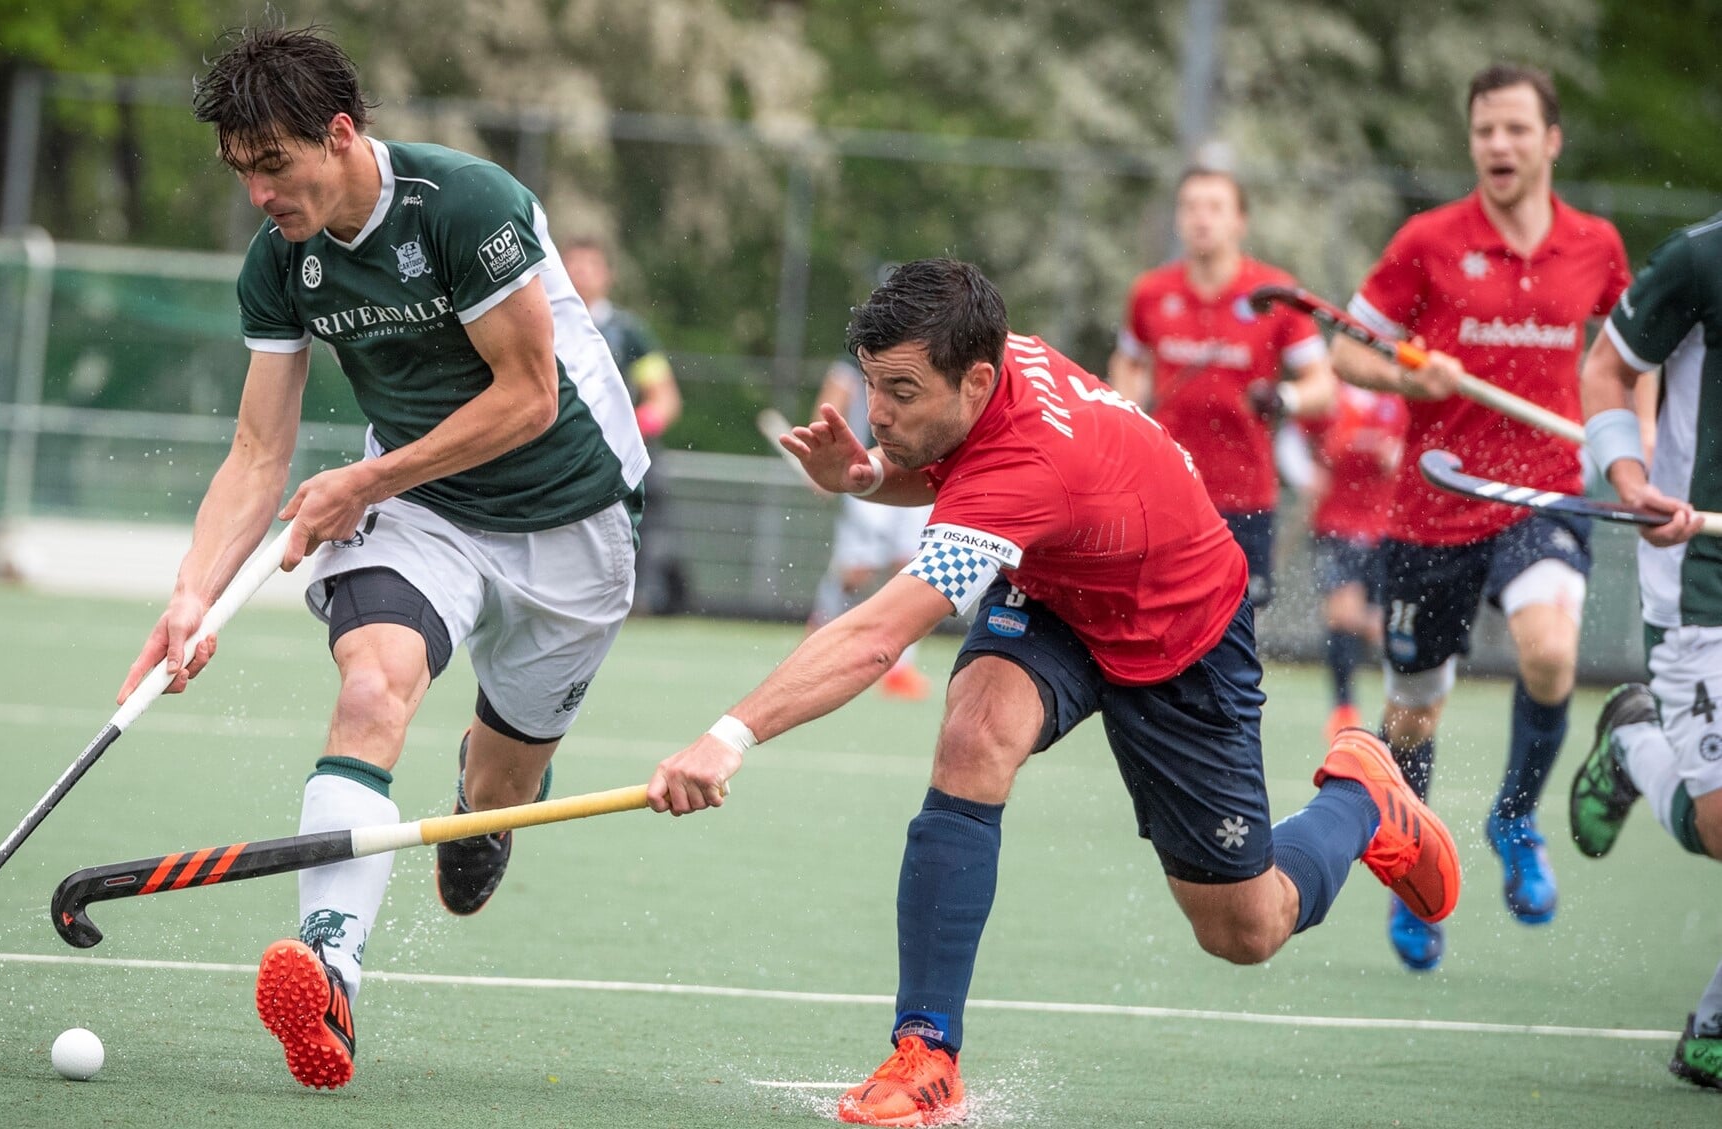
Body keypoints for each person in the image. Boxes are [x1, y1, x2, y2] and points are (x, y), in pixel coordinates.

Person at [645, 259, 1460, 1128]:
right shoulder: (988, 352)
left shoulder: (1027, 461)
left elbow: (875, 634)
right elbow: (953, 462)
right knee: (975, 732)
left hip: (1182, 630)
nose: (876, 414)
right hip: (1063, 592)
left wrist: (727, 736)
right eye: (874, 385)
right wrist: (870, 476)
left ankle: (1363, 800)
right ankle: (926, 1052)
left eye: (900, 392)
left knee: (1246, 929)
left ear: (978, 377)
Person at [117, 27, 647, 1089]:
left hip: (572, 521)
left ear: (342, 133)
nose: (261, 193)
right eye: (243, 172)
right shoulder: (281, 263)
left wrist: (361, 480)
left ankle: (479, 800)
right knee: (371, 687)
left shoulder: (464, 206)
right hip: (423, 513)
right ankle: (330, 971)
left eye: (275, 164)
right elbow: (259, 448)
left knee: (499, 785)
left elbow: (529, 398)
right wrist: (191, 592)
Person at [1329, 62, 1629, 970]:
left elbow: (1633, 361)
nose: (1498, 145)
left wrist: (1639, 454)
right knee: (1413, 717)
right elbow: (1348, 349)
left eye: (1514, 129)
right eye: (1483, 130)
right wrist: (1404, 375)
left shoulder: (1597, 246)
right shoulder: (1428, 239)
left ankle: (1512, 819)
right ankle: (1416, 866)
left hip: (1542, 496)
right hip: (1433, 504)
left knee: (1550, 651)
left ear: (1551, 142)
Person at [1570, 210, 1722, 1090]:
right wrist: (1631, 481)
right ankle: (1634, 742)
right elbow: (1609, 367)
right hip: (1701, 579)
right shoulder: (1702, 258)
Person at [1108, 167, 1337, 607]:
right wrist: (1125, 410)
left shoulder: (1275, 293)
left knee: (1237, 624)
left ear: (1239, 222)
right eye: (1190, 207)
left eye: (1215, 208)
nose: (1201, 218)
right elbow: (1129, 362)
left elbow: (1323, 385)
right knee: (1155, 615)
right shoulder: (1150, 292)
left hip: (1245, 497)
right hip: (1164, 491)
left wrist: (1285, 397)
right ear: (1178, 219)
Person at [563, 238, 689, 614]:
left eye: (590, 264)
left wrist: (634, 425)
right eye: (572, 264)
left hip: (623, 457)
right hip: (563, 454)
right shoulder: (543, 322)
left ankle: (643, 598)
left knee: (645, 523)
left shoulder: (627, 331)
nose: (580, 272)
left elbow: (665, 397)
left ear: (607, 276)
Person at [806, 354, 934, 701]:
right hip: (868, 474)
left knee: (913, 570)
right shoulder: (853, 362)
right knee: (855, 573)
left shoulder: (929, 354)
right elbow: (828, 407)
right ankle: (817, 632)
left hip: (918, 473)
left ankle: (900, 669)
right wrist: (823, 462)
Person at [1304, 384, 1408, 741]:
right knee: (1342, 616)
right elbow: (1296, 436)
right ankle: (1344, 710)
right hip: (1336, 525)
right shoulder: (1329, 398)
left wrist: (1395, 457)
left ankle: (1397, 708)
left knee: (1380, 627)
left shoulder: (1397, 400)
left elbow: (1411, 454)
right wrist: (1309, 472)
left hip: (1386, 529)